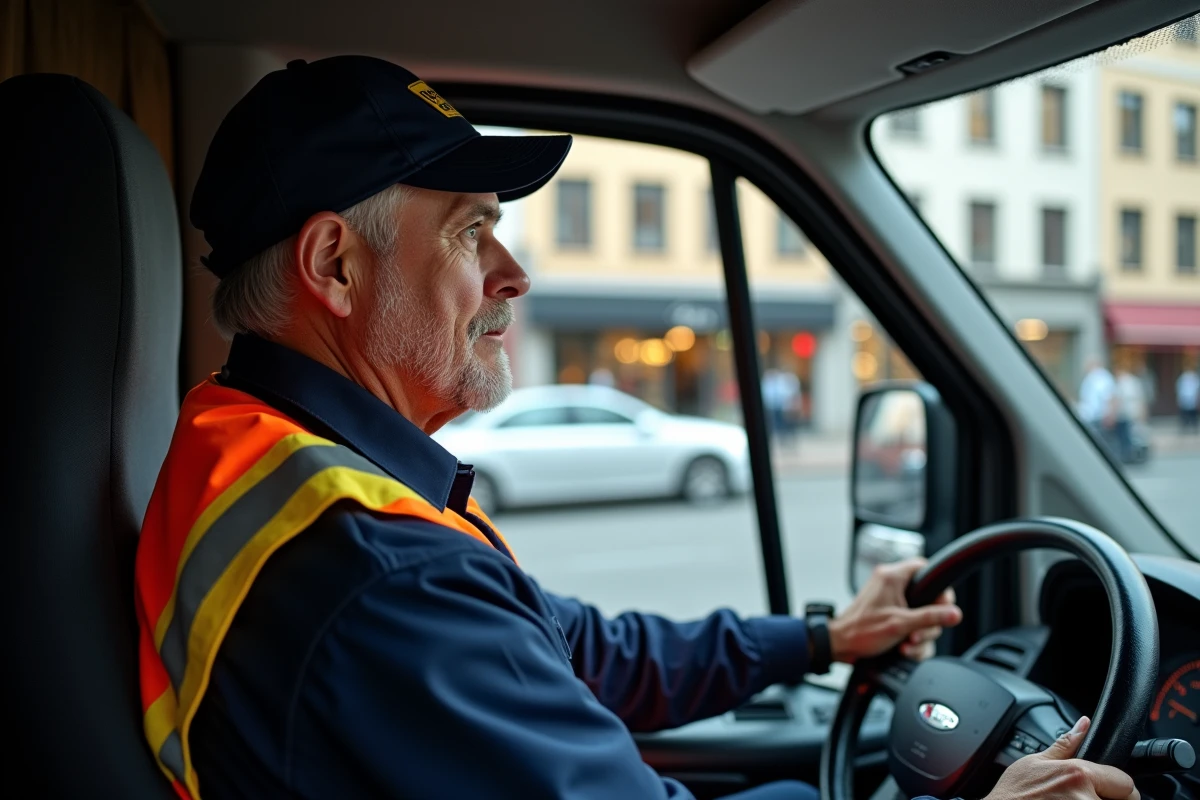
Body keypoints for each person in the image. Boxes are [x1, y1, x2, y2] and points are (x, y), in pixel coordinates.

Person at [133, 56, 1137, 800]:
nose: (513, 272)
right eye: (471, 230)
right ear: (336, 266)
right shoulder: (376, 571)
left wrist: (822, 636)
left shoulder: (248, 439)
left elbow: (569, 645)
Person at [1078, 357, 1119, 458]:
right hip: (1091, 416)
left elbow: (1111, 397)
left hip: (1099, 416)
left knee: (1102, 442)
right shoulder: (1092, 377)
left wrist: (1110, 415)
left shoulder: (1102, 377)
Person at [1114, 364, 1147, 463]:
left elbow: (1119, 399)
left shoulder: (1124, 382)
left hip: (1127, 414)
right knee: (1127, 436)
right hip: (1128, 413)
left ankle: (1129, 455)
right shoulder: (1132, 382)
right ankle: (1129, 454)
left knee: (1128, 436)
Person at [1179, 363, 1200, 435]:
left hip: (1192, 398)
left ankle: (1194, 427)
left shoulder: (1195, 377)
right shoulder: (1183, 377)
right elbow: (1180, 389)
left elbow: (1197, 388)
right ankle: (1185, 427)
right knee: (1185, 414)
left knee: (1193, 414)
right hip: (1185, 397)